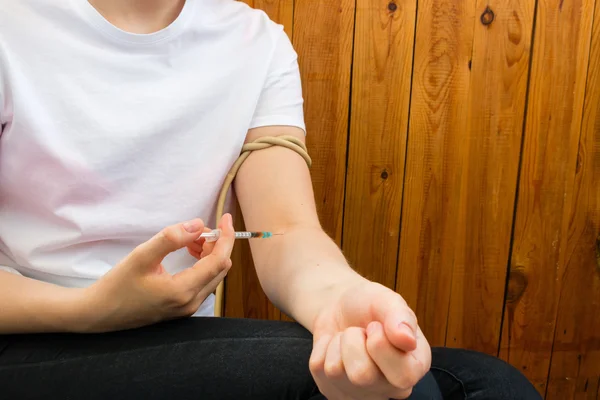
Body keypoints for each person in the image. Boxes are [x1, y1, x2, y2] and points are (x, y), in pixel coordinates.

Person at [0, 1, 542, 399]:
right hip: (29, 338)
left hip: (177, 340)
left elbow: (285, 229)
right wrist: (89, 310)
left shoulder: (256, 42)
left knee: (495, 387)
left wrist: (338, 300)